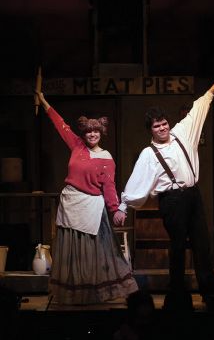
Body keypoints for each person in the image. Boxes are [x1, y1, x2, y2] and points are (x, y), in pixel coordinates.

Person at [113, 79, 214, 307]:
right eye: (157, 126)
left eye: (164, 123)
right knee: (177, 246)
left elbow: (198, 110)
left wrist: (211, 91)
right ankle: (177, 295)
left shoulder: (182, 134)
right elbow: (136, 183)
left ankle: (208, 291)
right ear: (150, 130)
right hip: (172, 201)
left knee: (202, 244)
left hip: (193, 195)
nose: (162, 128)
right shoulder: (149, 153)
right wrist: (123, 206)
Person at [35, 91, 138, 305]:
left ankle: (95, 294)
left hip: (92, 207)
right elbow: (61, 125)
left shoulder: (106, 158)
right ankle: (73, 294)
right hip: (71, 203)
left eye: (95, 131)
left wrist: (115, 209)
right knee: (72, 252)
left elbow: (109, 186)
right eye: (89, 131)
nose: (92, 134)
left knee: (94, 252)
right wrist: (44, 102)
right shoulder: (77, 146)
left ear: (101, 133)